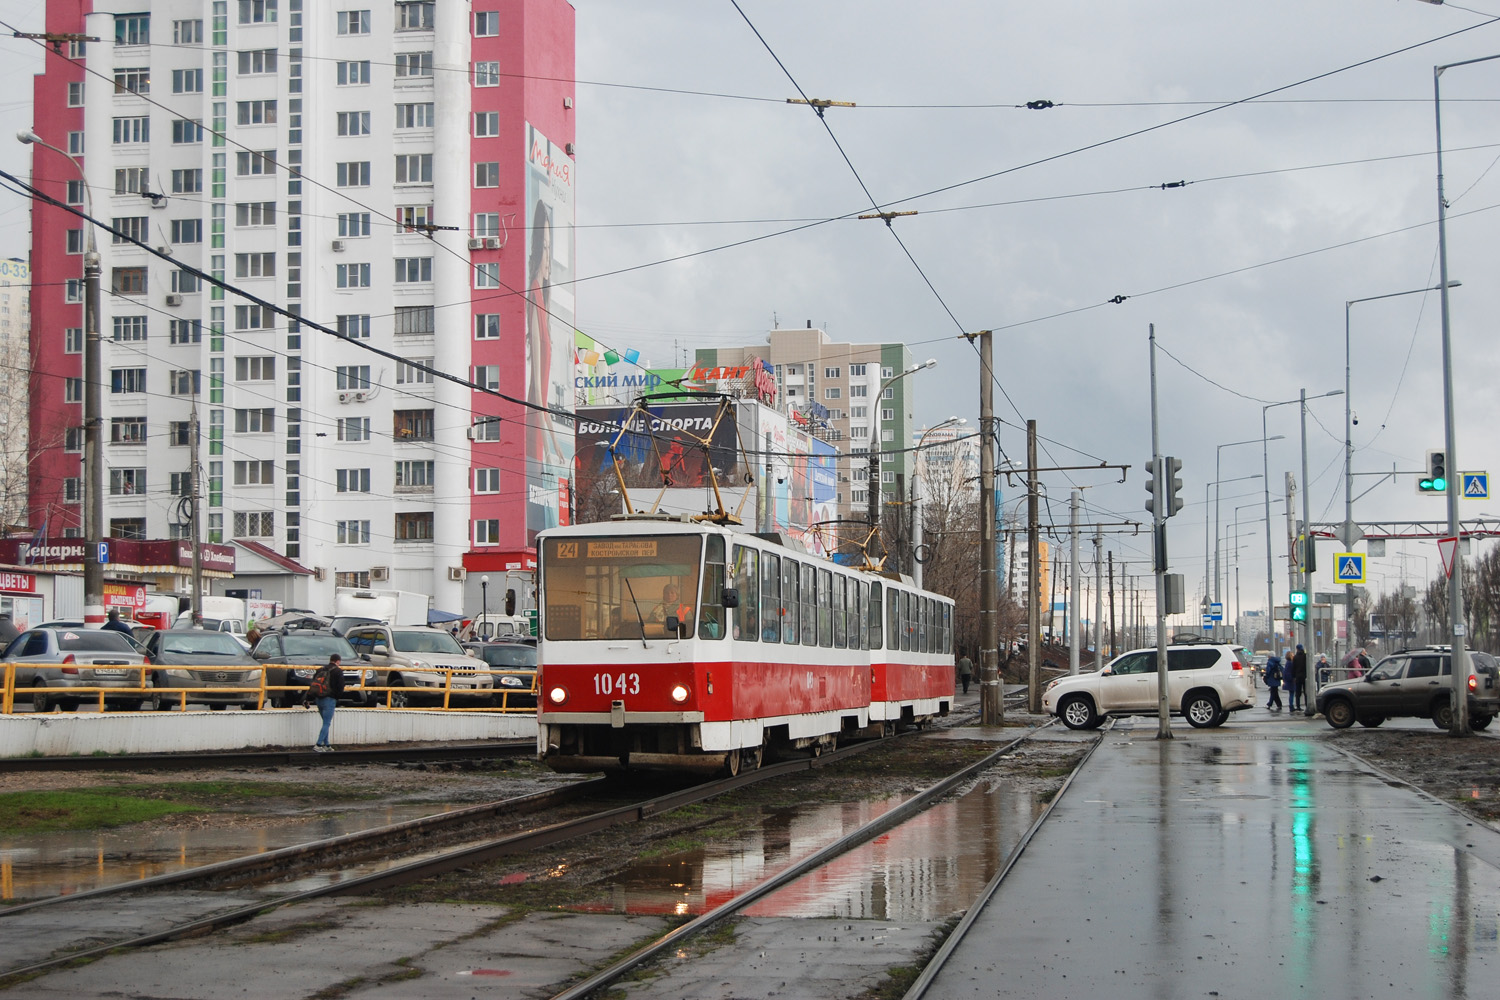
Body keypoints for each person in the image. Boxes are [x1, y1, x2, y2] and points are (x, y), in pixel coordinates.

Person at [305, 653, 345, 752]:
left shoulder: (320, 670)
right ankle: (318, 744)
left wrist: (307, 699)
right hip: (329, 700)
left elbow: (313, 685)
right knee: (327, 723)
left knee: (325, 723)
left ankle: (327, 745)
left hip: (318, 699)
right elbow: (340, 687)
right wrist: (337, 698)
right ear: (338, 661)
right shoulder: (338, 671)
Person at [1289, 645, 1308, 711]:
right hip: (1305, 676)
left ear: (1297, 649)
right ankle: (1307, 705)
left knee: (1298, 693)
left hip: (1298, 677)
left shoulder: (1295, 657)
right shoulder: (1306, 656)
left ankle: (1298, 706)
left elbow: (1293, 668)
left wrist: (1294, 677)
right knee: (1306, 692)